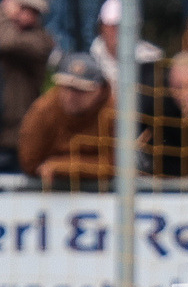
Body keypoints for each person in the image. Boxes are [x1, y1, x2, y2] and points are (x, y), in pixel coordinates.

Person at [18, 51, 116, 190]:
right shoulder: (43, 111)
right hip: (48, 195)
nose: (70, 96)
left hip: (107, 194)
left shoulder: (115, 112)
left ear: (99, 90)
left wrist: (60, 166)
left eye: (80, 90)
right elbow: (29, 162)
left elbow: (119, 165)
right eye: (65, 87)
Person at [0, 0, 54, 172]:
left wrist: (5, 15)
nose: (27, 16)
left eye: (34, 11)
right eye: (23, 7)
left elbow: (5, 42)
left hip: (15, 144)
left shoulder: (41, 42)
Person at [90, 0, 163, 93]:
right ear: (102, 28)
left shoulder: (152, 61)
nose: (117, 32)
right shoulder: (90, 63)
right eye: (111, 26)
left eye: (123, 27)